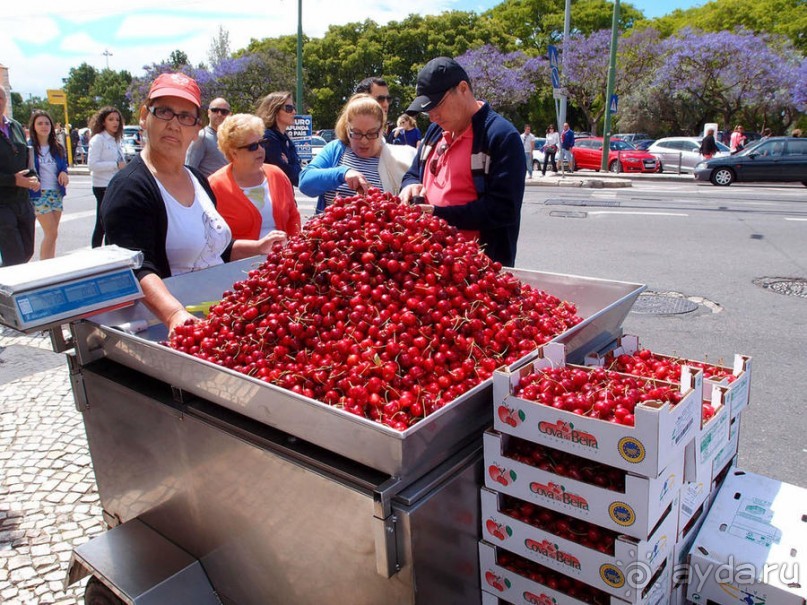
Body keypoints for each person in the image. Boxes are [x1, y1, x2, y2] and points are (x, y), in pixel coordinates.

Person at [101, 73, 288, 334]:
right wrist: (174, 314)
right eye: (164, 112)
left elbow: (212, 247)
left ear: (196, 128)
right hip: (169, 326)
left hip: (217, 314)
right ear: (145, 116)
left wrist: (257, 247)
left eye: (185, 116)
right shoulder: (131, 187)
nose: (174, 124)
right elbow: (135, 266)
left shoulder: (198, 180)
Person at [399, 57, 525, 267]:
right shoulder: (435, 131)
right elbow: (413, 173)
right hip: (431, 261)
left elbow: (503, 209)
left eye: (437, 106)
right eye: (427, 110)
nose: (432, 117)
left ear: (463, 88)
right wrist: (409, 185)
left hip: (478, 270)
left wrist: (439, 215)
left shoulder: (501, 136)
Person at [299, 94, 416, 213]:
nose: (364, 141)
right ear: (347, 128)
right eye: (356, 133)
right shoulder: (336, 149)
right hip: (334, 230)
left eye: (371, 133)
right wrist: (342, 173)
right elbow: (305, 182)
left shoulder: (400, 157)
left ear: (382, 129)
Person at [208, 113, 301, 241]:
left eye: (262, 143)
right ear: (233, 153)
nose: (260, 150)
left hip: (281, 258)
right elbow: (212, 237)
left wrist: (294, 248)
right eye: (252, 146)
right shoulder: (214, 185)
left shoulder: (277, 175)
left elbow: (293, 216)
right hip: (240, 261)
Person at [0, 84, 40, 267]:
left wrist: (33, 178)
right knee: (14, 256)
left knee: (27, 251)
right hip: (3, 204)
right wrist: (13, 180)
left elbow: (27, 159)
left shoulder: (15, 126)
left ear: (5, 101)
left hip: (23, 201)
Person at [28, 110, 69, 260]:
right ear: (34, 126)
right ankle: (45, 267)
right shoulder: (29, 148)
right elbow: (27, 169)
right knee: (51, 232)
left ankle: (50, 263)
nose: (44, 126)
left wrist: (64, 173)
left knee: (53, 234)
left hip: (56, 192)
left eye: (47, 123)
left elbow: (63, 167)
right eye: (40, 123)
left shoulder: (58, 147)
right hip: (39, 193)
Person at [87, 106, 125, 247]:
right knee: (102, 223)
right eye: (111, 119)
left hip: (115, 184)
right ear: (103, 122)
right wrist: (115, 165)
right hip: (102, 185)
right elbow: (92, 165)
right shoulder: (98, 139)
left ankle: (111, 251)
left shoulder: (116, 140)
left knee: (113, 222)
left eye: (117, 120)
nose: (115, 122)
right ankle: (96, 250)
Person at [255, 91, 301, 187]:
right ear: (274, 110)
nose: (294, 112)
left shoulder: (286, 138)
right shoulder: (268, 137)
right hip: (271, 196)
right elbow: (287, 173)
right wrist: (290, 165)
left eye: (293, 108)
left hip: (286, 194)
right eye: (289, 108)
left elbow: (298, 177)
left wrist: (290, 164)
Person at [186, 97, 230, 177]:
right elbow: (189, 169)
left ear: (229, 115)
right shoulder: (202, 137)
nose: (219, 114)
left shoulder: (230, 138)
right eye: (215, 110)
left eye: (224, 112)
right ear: (209, 113)